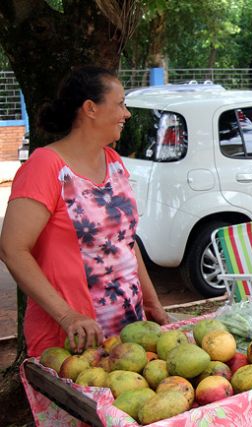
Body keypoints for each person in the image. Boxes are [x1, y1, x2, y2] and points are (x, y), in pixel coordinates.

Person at [0, 66, 169, 357]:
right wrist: (67, 316)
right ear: (90, 108)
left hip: (129, 330)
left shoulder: (114, 161)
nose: (126, 113)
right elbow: (12, 249)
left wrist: (151, 302)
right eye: (120, 104)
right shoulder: (46, 166)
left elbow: (125, 242)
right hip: (74, 338)